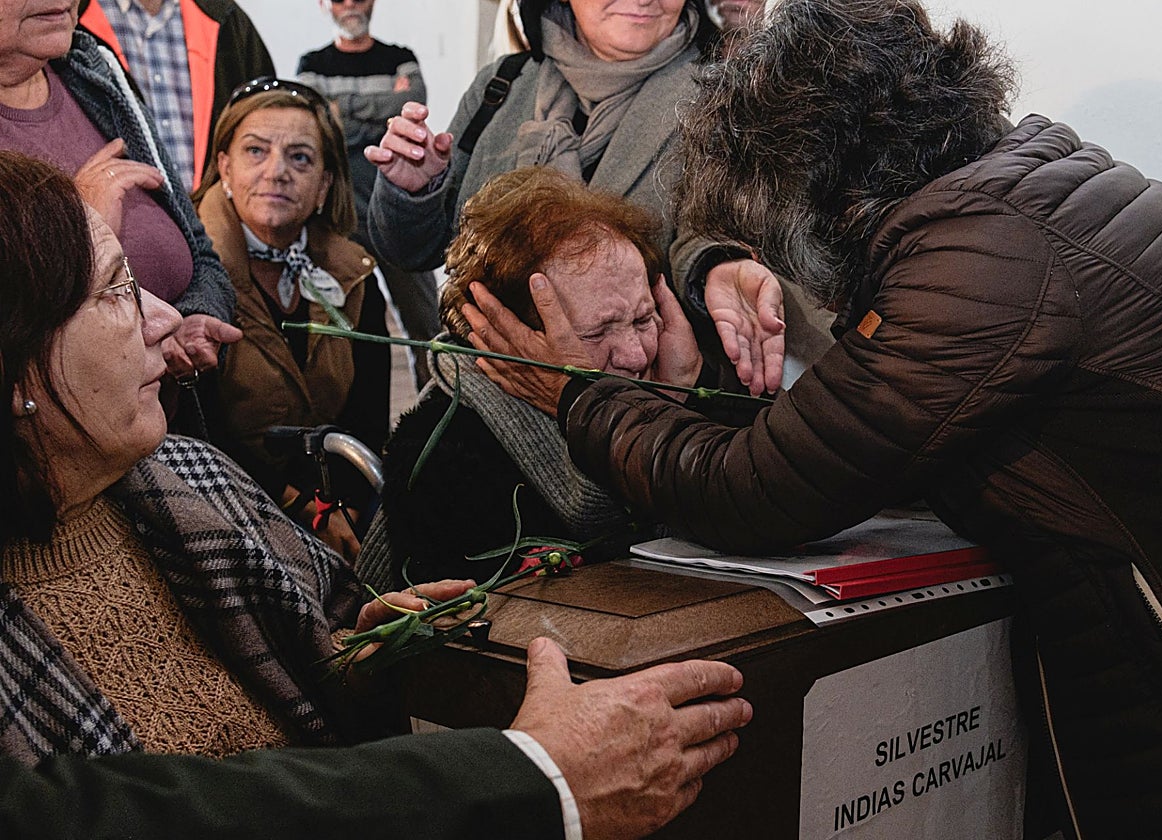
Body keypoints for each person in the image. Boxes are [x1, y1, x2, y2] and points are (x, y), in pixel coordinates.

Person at [462, 0, 1162, 836]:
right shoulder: (1030, 176)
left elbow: (760, 488)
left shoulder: (978, 259)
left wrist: (581, 394)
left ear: (816, 180)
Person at [0, 150, 752, 840]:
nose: (166, 316)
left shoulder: (196, 479)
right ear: (17, 357)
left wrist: (367, 660)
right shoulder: (444, 447)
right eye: (117, 291)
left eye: (644, 318)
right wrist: (530, 779)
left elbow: (335, 686)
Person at [365, 0, 833, 393]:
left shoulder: (732, 97)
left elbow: (715, 229)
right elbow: (417, 251)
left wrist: (715, 266)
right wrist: (413, 190)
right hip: (482, 407)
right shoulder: (501, 87)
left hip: (639, 426)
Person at [356, 166, 710, 590]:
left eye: (643, 317)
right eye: (596, 331)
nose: (636, 355)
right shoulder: (444, 458)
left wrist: (677, 400)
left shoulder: (687, 394)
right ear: (507, 335)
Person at [194, 77, 415, 560]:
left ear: (325, 184)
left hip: (340, 511)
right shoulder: (188, 272)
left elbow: (367, 420)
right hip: (222, 513)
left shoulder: (354, 274)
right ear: (224, 169)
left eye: (300, 157)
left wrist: (344, 508)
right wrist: (302, 508)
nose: (277, 172)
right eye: (256, 151)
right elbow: (198, 431)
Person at [0, 0, 240, 383]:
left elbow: (200, 252)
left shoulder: (96, 73)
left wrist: (194, 317)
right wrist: (80, 229)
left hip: (167, 419)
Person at [297, 0, 441, 384]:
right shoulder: (312, 64)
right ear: (324, 5)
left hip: (400, 213)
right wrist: (382, 120)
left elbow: (413, 105)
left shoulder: (400, 57)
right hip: (340, 215)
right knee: (345, 327)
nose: (350, 4)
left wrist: (343, 111)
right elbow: (318, 123)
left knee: (428, 328)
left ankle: (434, 417)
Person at [78, 0, 276, 191]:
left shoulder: (225, 17)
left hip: (214, 217)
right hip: (114, 216)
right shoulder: (70, 18)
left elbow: (270, 125)